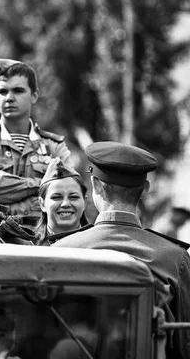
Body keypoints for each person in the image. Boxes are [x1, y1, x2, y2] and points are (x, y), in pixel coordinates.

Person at [53, 141, 190, 359]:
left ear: (96, 185)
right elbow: (184, 344)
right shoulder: (174, 258)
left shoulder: (61, 250)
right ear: (145, 190)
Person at [0, 59, 72, 228]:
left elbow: (67, 191)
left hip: (44, 239)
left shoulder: (54, 145)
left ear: (34, 95)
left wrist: (4, 191)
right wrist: (40, 185)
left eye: (18, 90)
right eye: (2, 91)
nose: (9, 98)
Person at [34, 158, 91, 245]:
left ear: (85, 202)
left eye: (73, 197)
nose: (65, 204)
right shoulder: (29, 246)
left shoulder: (96, 244)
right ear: (42, 204)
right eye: (56, 197)